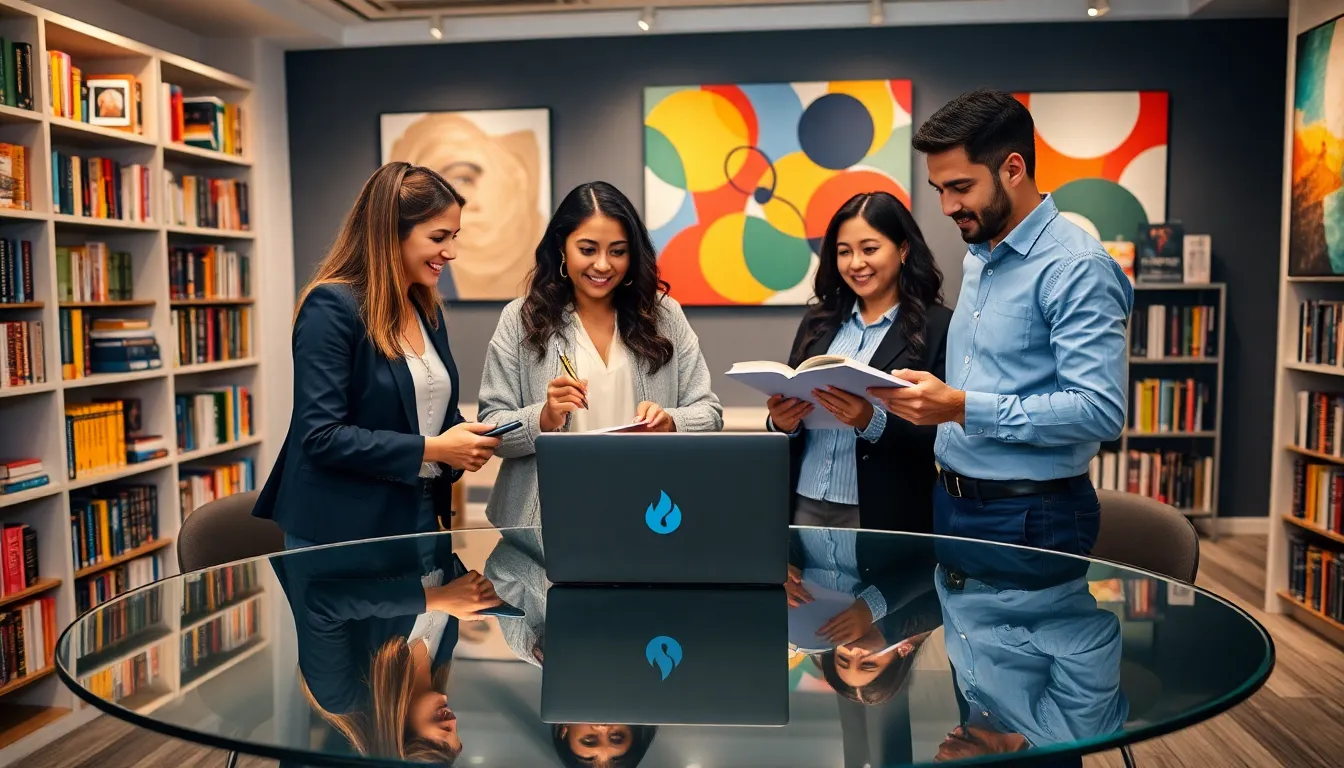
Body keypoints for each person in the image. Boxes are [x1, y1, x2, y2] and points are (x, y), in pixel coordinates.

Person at [870, 89, 1133, 556]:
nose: (947, 206)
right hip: (951, 503)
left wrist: (959, 407)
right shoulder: (979, 256)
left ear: (1013, 170)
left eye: (961, 187)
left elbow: (1099, 411)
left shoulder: (1076, 267)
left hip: (1032, 515)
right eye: (939, 190)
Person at [253, 162, 502, 548]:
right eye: (438, 237)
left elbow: (431, 408)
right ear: (391, 234)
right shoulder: (330, 307)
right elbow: (321, 436)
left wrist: (466, 439)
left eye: (454, 236)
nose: (451, 252)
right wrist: (437, 449)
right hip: (341, 528)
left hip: (417, 513)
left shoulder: (425, 309)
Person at [478, 181, 723, 528]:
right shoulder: (521, 320)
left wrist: (670, 422)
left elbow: (709, 412)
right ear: (562, 247)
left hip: (649, 511)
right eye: (588, 249)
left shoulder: (666, 316)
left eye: (618, 251)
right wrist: (544, 417)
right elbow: (492, 428)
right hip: (549, 520)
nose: (603, 265)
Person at [766, 191, 951, 532]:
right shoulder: (818, 322)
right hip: (803, 504)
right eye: (844, 252)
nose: (855, 263)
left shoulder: (938, 326)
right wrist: (780, 423)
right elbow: (792, 397)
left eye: (869, 249)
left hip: (885, 511)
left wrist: (871, 420)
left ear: (903, 249)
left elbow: (944, 430)